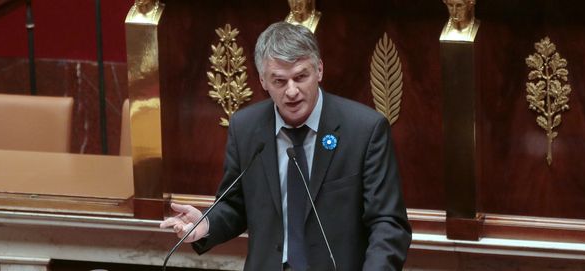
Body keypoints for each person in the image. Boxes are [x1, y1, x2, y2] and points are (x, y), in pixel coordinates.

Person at [160, 22, 412, 270]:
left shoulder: (364, 130)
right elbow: (235, 205)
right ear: (262, 81)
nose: (292, 91)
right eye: (279, 81)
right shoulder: (246, 128)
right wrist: (207, 224)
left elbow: (388, 223)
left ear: (319, 70)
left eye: (301, 77)